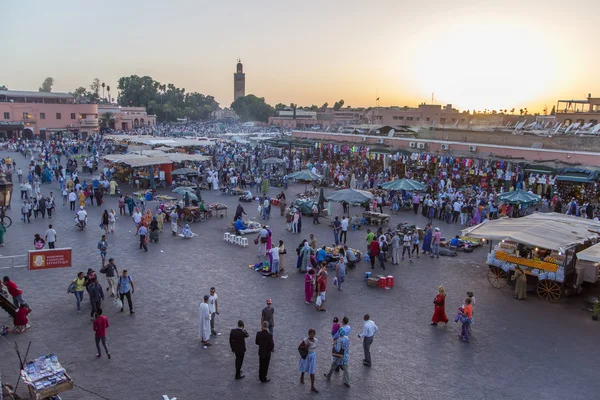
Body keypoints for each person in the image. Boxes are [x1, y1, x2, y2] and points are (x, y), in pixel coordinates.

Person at [298, 328, 319, 393]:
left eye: (312, 334)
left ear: (314, 334)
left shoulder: (316, 340)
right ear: (308, 334)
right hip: (306, 356)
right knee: (304, 367)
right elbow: (299, 347)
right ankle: (302, 376)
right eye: (310, 334)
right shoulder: (305, 340)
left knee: (312, 371)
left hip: (312, 356)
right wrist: (305, 346)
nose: (311, 335)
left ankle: (312, 386)